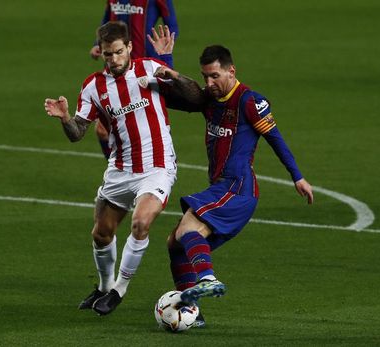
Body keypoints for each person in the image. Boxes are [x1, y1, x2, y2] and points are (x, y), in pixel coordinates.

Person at [154, 45, 314, 326]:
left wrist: (297, 176)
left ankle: (208, 279)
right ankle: (194, 314)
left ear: (231, 71)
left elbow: (275, 138)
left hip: (238, 187)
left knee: (188, 228)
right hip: (223, 187)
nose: (209, 83)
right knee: (175, 244)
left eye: (214, 76)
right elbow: (172, 98)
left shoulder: (249, 100)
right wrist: (165, 62)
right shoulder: (210, 99)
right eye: (205, 77)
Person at [44, 22, 177, 316]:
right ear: (101, 53)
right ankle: (104, 287)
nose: (114, 59)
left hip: (157, 166)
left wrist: (167, 62)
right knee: (101, 234)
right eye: (108, 55)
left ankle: (119, 289)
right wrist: (65, 118)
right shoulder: (93, 86)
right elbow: (78, 132)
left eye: (119, 52)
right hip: (120, 168)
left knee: (141, 223)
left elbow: (183, 91)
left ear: (129, 47)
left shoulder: (148, 69)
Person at [90, 0, 179, 159]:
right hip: (115, 72)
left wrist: (165, 46)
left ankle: (165, 158)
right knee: (102, 130)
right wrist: (98, 44)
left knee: (152, 122)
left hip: (144, 72)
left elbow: (172, 25)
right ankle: (118, 169)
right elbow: (106, 21)